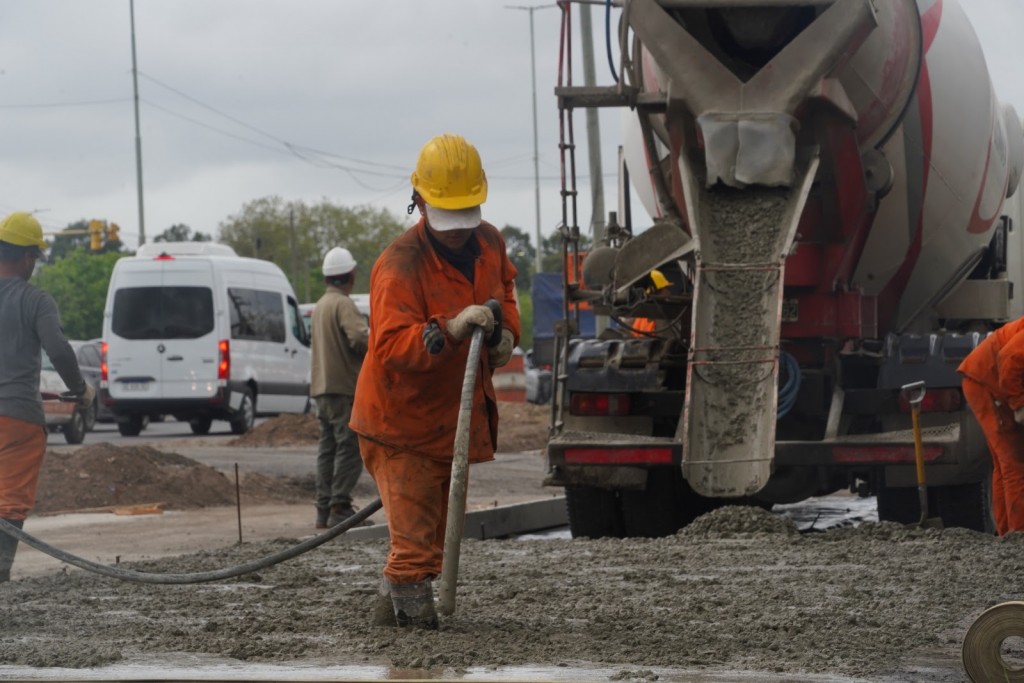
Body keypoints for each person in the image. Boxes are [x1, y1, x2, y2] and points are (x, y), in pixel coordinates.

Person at [350, 133, 520, 629]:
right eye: (447, 218)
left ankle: (388, 622)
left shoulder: (489, 241)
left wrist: (507, 332)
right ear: (420, 201)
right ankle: (417, 642)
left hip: (448, 421)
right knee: (414, 549)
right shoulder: (399, 265)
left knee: (436, 534)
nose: (456, 232)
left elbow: (505, 289)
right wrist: (446, 328)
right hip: (399, 424)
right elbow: (391, 346)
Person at [0, 211, 95, 582]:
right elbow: (57, 348)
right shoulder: (35, 300)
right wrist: (79, 389)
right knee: (8, 503)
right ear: (27, 257)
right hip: (17, 419)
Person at [309, 246, 371, 529]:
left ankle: (324, 510)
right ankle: (340, 507)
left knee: (328, 448)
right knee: (350, 446)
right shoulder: (344, 304)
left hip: (322, 388)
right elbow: (359, 338)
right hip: (344, 388)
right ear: (351, 275)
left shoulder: (321, 305)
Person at [958, 318, 1024, 536]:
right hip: (986, 383)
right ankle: (1018, 534)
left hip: (989, 380)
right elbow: (1009, 358)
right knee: (1014, 461)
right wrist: (1018, 403)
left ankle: (1006, 532)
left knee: (1001, 461)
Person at [632, 269, 673, 336]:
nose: (668, 292)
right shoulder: (664, 319)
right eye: (665, 288)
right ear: (654, 291)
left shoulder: (639, 316)